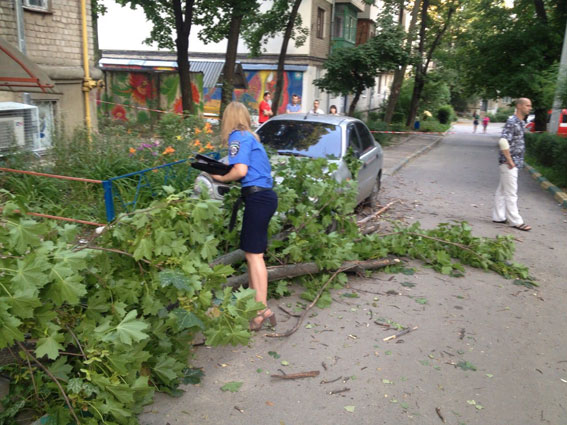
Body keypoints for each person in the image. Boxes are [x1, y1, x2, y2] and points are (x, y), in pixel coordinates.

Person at [210, 102, 279, 330]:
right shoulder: (249, 137)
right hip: (262, 197)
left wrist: (219, 178)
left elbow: (240, 171)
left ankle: (261, 309)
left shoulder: (237, 136)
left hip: (257, 198)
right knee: (252, 253)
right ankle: (256, 307)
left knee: (254, 255)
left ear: (229, 118)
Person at [492, 98, 532, 231]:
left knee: (502, 190)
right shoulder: (512, 121)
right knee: (511, 192)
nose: (529, 108)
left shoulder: (520, 122)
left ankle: (498, 216)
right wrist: (510, 161)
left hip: (513, 162)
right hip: (509, 163)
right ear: (519, 106)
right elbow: (503, 141)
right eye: (527, 105)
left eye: (530, 105)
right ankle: (516, 221)